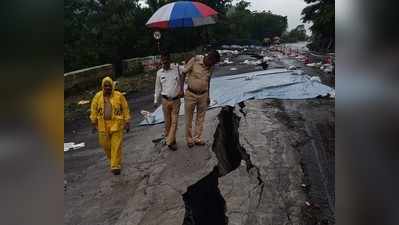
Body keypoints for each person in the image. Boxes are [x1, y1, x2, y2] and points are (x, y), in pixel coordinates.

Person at [90, 76, 130, 175]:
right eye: (105, 86)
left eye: (109, 86)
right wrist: (93, 121)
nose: (107, 88)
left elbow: (125, 108)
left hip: (117, 124)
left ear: (112, 86)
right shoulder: (97, 96)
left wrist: (127, 121)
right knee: (106, 146)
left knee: (116, 146)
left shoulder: (119, 95)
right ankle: (114, 160)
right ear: (102, 86)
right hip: (102, 125)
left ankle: (115, 166)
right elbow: (93, 109)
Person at [181, 50, 220, 148]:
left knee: (200, 118)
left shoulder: (211, 67)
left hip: (203, 95)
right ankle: (189, 139)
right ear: (209, 58)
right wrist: (181, 90)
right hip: (191, 94)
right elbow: (183, 73)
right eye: (213, 62)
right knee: (189, 118)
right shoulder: (195, 60)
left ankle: (197, 138)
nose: (213, 65)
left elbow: (208, 81)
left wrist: (208, 96)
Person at [154, 52, 184, 151]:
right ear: (161, 61)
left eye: (167, 61)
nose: (165, 63)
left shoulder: (177, 69)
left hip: (176, 100)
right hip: (165, 100)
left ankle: (169, 141)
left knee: (174, 122)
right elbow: (157, 87)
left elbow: (187, 70)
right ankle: (172, 141)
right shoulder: (159, 73)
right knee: (168, 123)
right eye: (163, 61)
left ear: (169, 60)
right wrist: (155, 100)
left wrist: (182, 89)